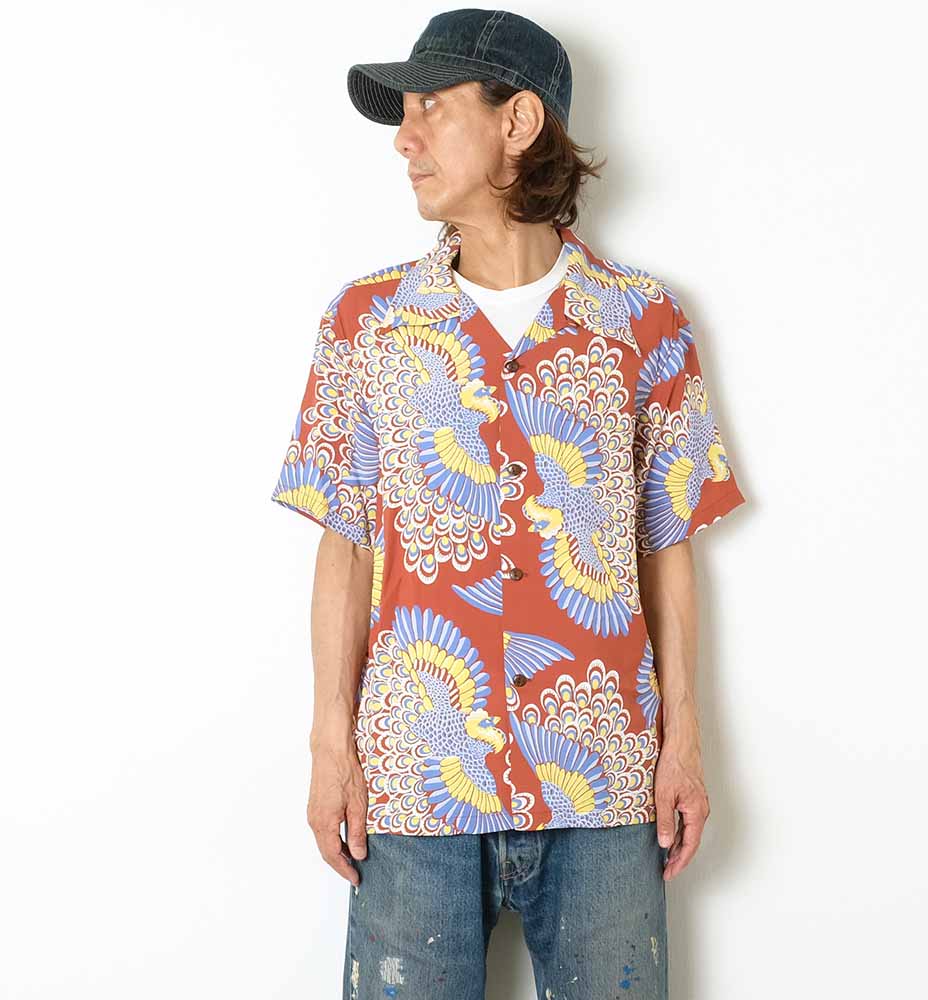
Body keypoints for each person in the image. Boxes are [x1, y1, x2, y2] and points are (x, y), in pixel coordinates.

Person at [270, 9, 747, 998]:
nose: (404, 140)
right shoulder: (367, 322)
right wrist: (329, 750)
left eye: (430, 109)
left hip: (603, 776)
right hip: (415, 778)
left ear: (519, 121)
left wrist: (685, 745)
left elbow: (666, 543)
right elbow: (343, 543)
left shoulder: (644, 320)